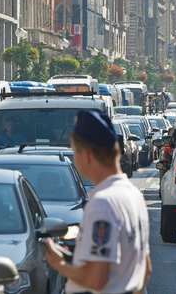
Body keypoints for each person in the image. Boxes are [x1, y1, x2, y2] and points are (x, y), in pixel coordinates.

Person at [45, 110, 151, 294]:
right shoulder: (134, 195)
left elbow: (96, 281)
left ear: (86, 155)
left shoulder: (103, 203)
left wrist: (59, 264)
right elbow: (145, 269)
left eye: (74, 152)